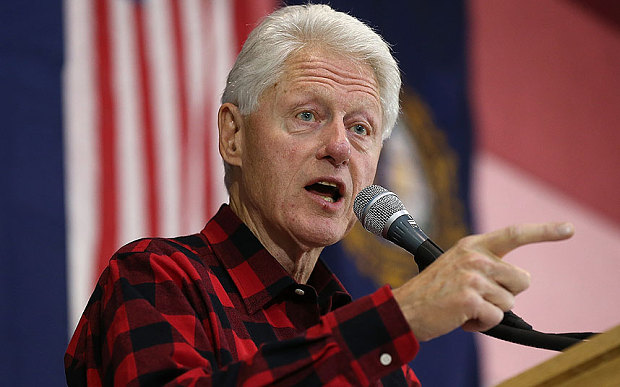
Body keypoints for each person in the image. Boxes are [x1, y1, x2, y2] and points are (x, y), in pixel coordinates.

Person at [65, 4, 574, 386]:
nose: (338, 147)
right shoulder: (157, 278)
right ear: (234, 136)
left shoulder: (383, 363)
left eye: (361, 128)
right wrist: (399, 319)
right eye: (307, 115)